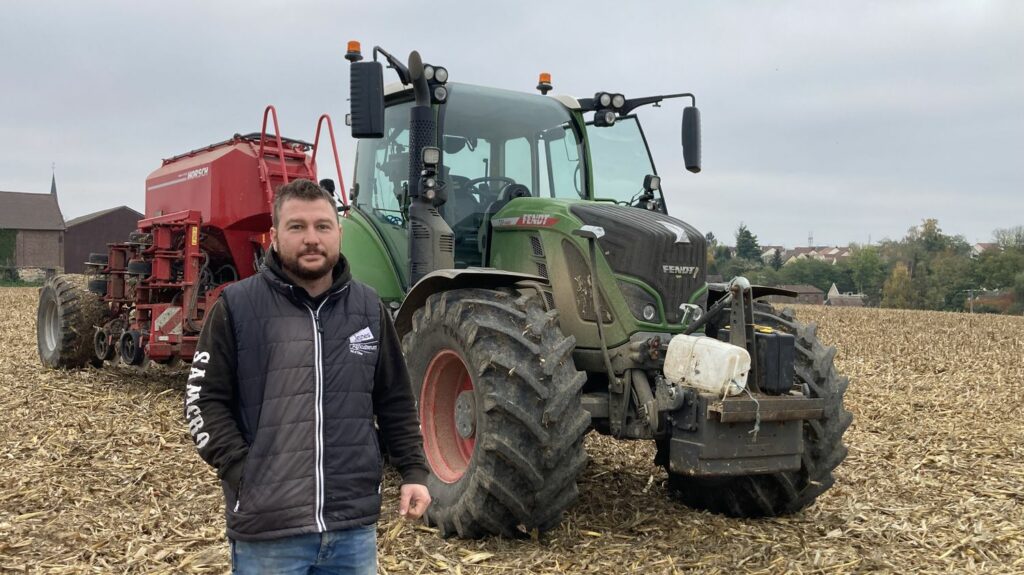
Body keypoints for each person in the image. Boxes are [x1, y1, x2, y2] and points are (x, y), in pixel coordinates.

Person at [184, 178, 430, 574]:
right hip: (269, 533)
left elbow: (395, 399)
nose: (311, 238)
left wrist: (414, 471)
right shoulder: (237, 307)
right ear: (275, 237)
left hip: (352, 529)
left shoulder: (369, 308)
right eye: (297, 227)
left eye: (322, 226)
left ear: (339, 233)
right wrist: (243, 472)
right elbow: (202, 400)